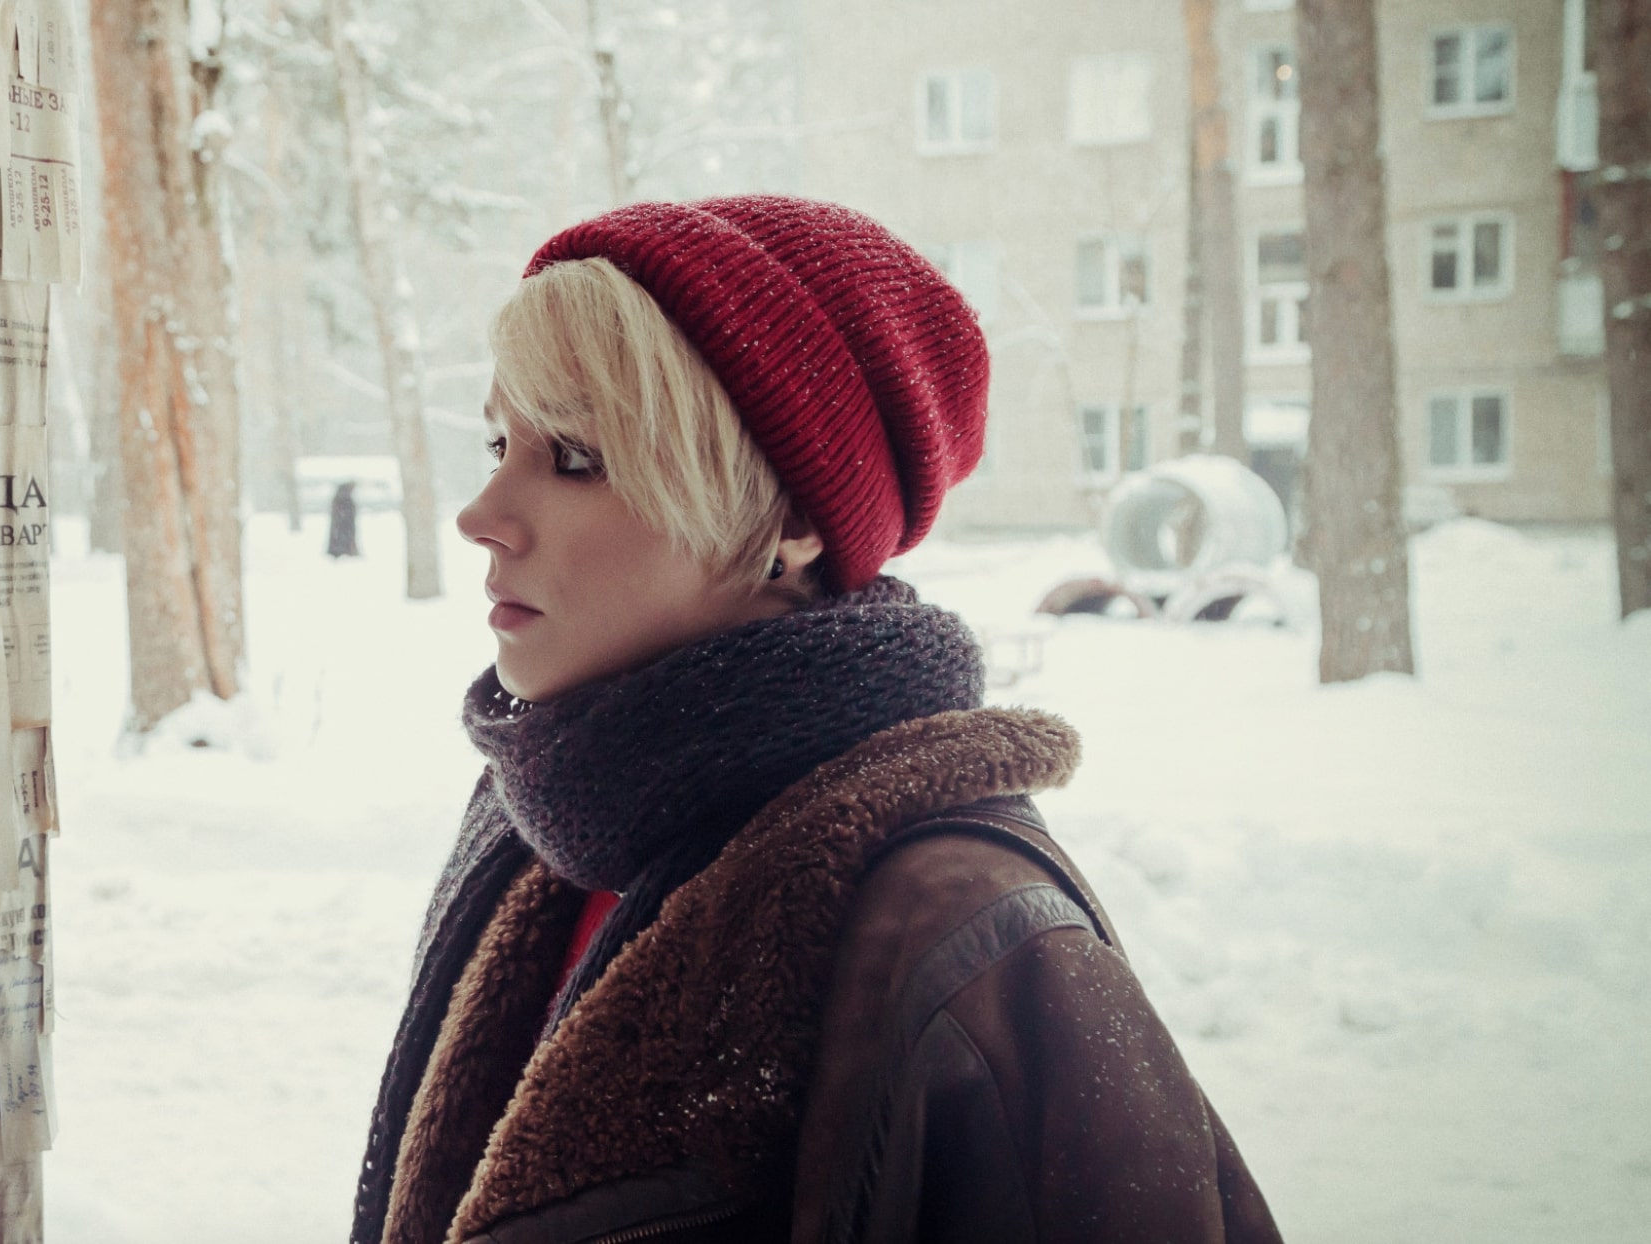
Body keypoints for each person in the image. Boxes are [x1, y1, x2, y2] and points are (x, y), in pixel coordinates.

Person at [351, 198, 1279, 1244]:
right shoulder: (534, 819)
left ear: (785, 518)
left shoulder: (967, 928)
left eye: (573, 456)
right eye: (497, 441)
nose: (482, 512)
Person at [328, 481, 362, 558]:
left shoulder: (341, 498)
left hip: (344, 527)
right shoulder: (344, 499)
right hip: (343, 527)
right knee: (342, 540)